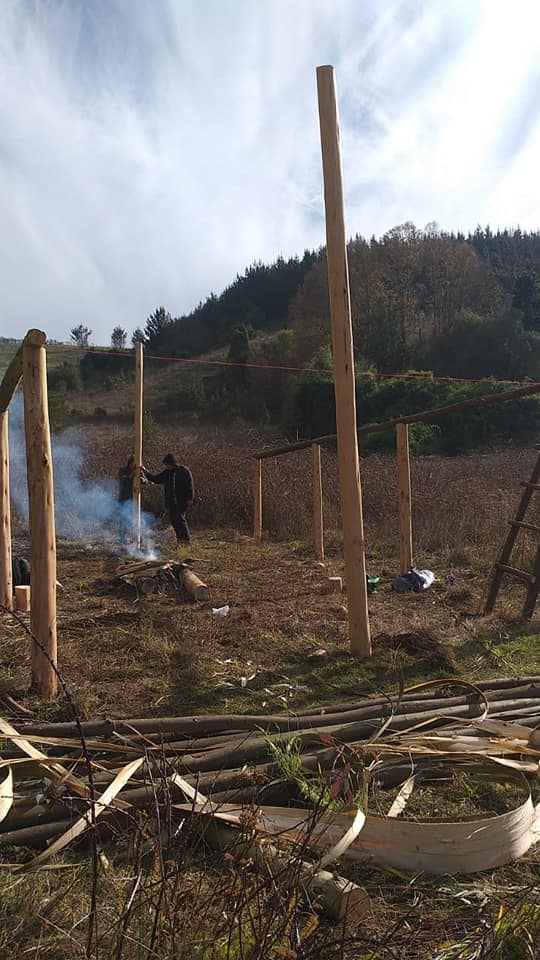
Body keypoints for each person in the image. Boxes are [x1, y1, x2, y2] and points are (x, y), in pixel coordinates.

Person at [143, 453, 194, 553]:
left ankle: (186, 544)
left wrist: (190, 497)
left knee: (180, 521)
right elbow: (156, 479)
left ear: (172, 463)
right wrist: (145, 471)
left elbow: (190, 484)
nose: (166, 466)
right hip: (171, 502)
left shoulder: (183, 471)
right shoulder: (167, 473)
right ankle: (180, 543)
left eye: (167, 464)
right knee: (174, 522)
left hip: (182, 501)